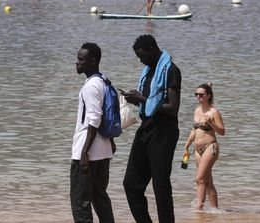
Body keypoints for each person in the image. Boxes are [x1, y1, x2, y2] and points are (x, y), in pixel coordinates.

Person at [122, 34, 181, 223]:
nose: (141, 61)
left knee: (160, 185)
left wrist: (141, 99)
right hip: (146, 128)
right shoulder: (148, 71)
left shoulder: (170, 70)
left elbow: (172, 108)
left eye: (142, 56)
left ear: (152, 49)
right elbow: (148, 103)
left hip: (164, 131)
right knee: (131, 183)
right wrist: (135, 99)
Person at [71, 43, 115, 223]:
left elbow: (95, 119)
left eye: (81, 60)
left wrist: (84, 153)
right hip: (103, 151)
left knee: (80, 201)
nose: (77, 63)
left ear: (92, 61)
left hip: (87, 152)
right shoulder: (104, 80)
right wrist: (111, 141)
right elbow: (106, 114)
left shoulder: (91, 86)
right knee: (100, 197)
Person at [182, 83, 225, 212]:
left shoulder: (214, 112)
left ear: (208, 96)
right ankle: (215, 210)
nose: (198, 97)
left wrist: (211, 122)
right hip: (197, 150)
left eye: (201, 94)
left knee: (200, 179)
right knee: (208, 181)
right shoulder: (197, 110)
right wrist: (187, 145)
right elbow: (195, 129)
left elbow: (222, 132)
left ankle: (198, 209)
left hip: (210, 148)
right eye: (196, 94)